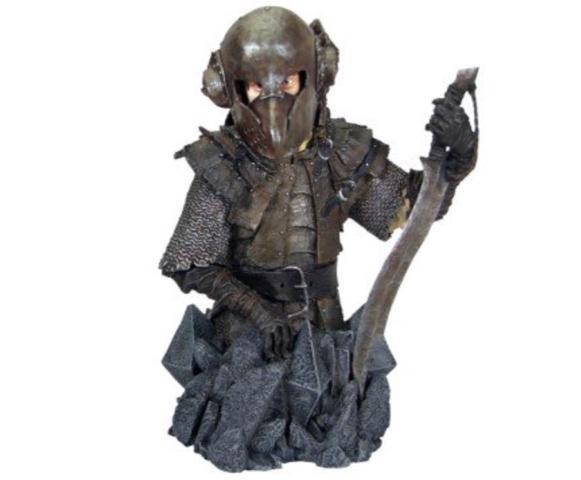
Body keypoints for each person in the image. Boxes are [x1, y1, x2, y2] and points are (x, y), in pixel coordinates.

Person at [159, 6, 477, 471]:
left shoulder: (341, 151)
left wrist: (459, 159)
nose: (273, 102)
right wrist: (258, 312)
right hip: (247, 333)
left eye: (288, 82)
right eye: (256, 86)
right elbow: (191, 262)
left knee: (328, 405)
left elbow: (414, 209)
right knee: (247, 409)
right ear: (230, 88)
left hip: (324, 326)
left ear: (315, 76)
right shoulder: (222, 163)